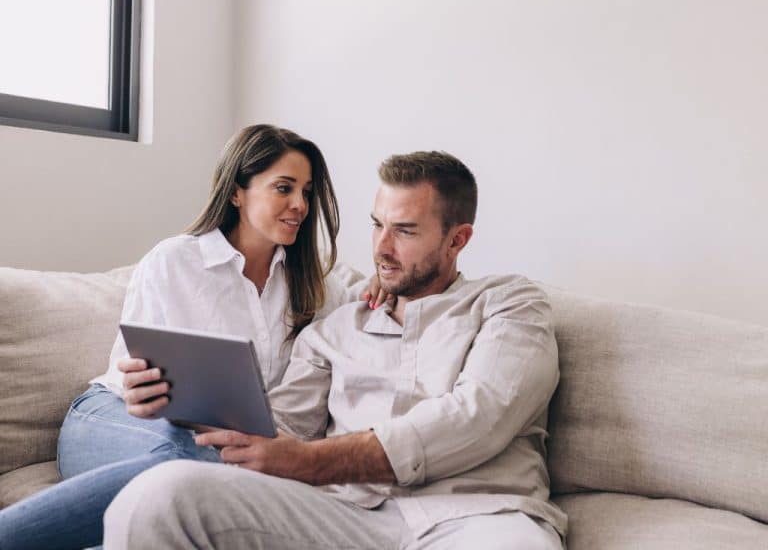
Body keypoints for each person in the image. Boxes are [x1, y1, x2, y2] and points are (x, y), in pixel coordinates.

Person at [104, 151, 568, 549]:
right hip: (345, 517)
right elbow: (278, 431)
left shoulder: (510, 304)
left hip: (477, 519)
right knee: (155, 496)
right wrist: (173, 402)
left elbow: (479, 416)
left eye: (404, 232)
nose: (381, 248)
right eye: (376, 225)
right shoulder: (334, 328)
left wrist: (312, 460)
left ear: (457, 240)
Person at [0, 124, 385, 550]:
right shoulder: (176, 261)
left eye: (307, 192)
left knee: (215, 470)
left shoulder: (317, 285)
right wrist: (140, 388)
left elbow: (370, 306)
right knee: (190, 464)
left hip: (212, 441)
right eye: (283, 188)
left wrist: (383, 285)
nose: (299, 205)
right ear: (237, 192)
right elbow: (136, 382)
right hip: (112, 417)